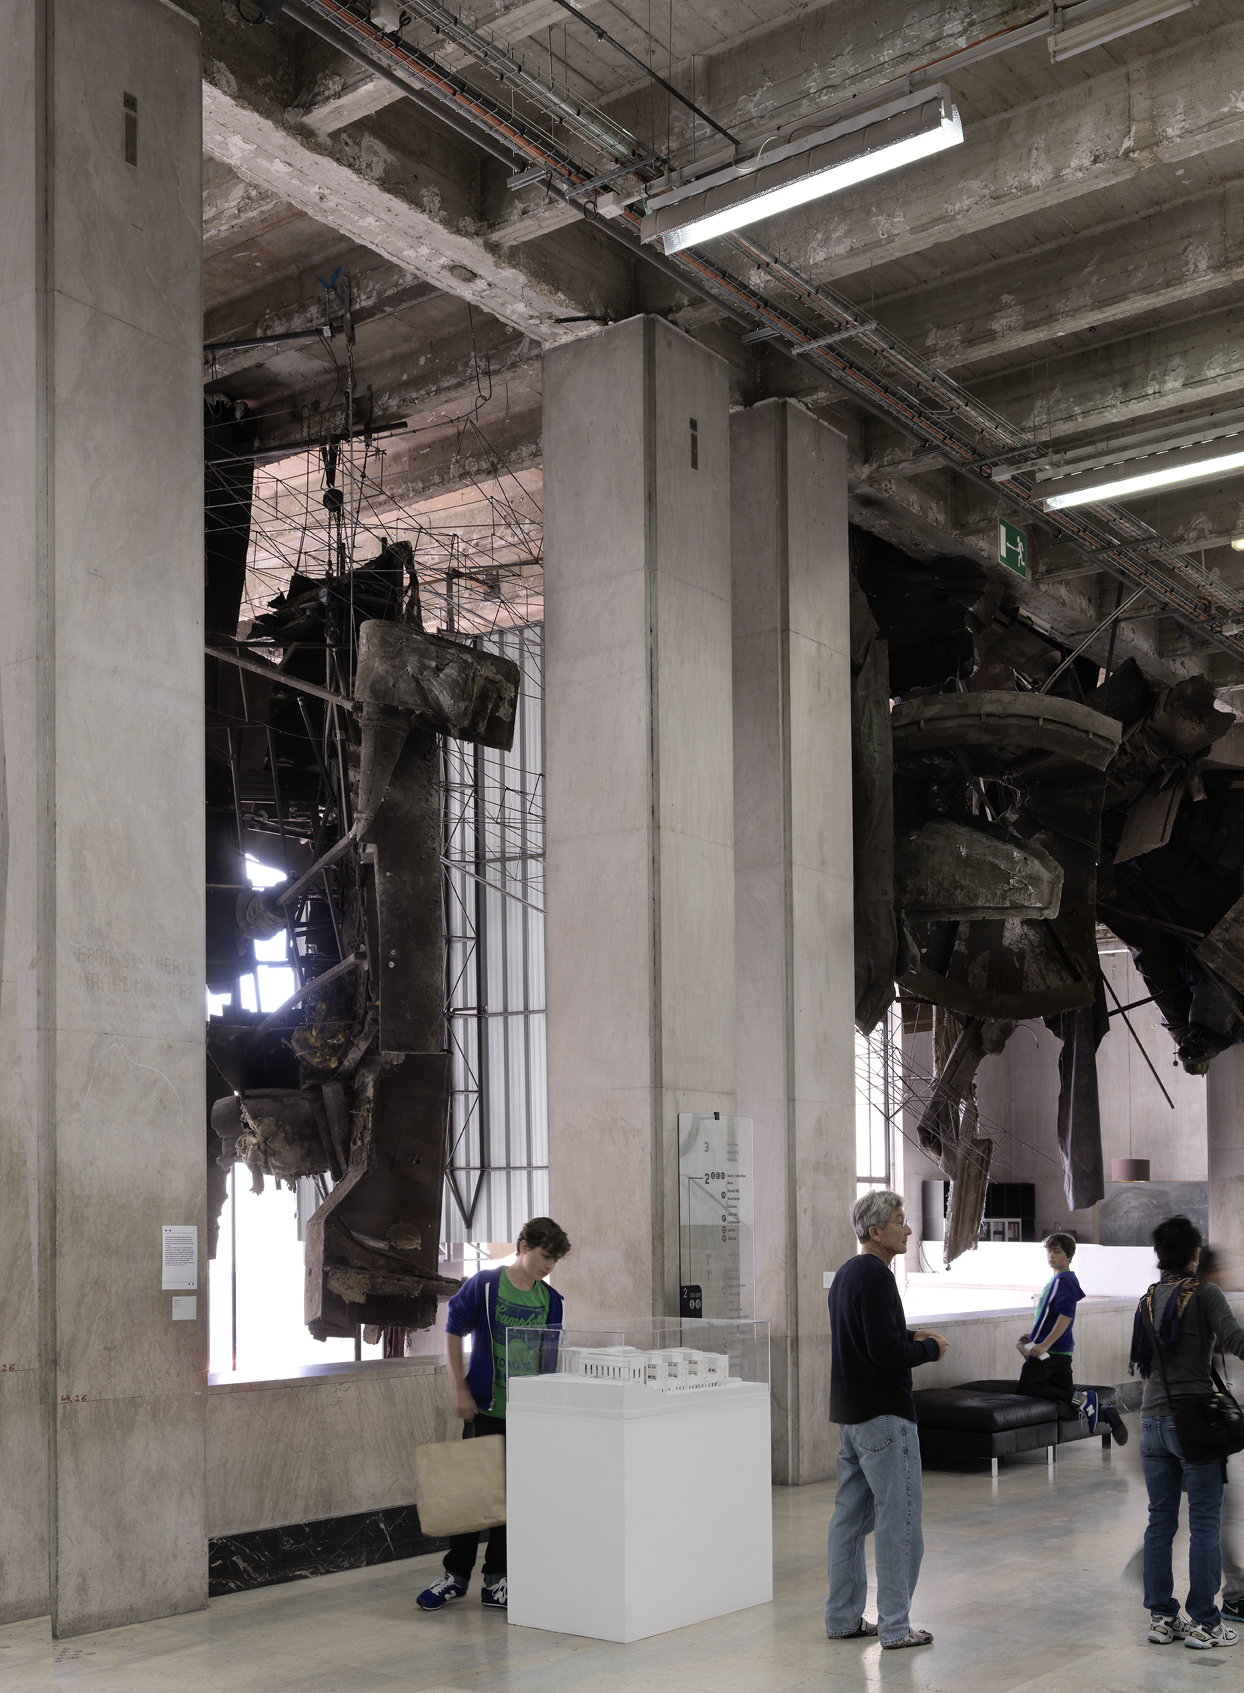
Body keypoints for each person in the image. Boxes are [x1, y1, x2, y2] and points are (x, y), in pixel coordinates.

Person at [416, 1217, 571, 1614]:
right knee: (472, 1492)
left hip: (528, 1412)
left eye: (554, 1260)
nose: (548, 1266)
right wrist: (460, 1388)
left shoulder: (552, 1301)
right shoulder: (485, 1285)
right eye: (544, 1256)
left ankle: (496, 1580)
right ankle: (455, 1576)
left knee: (513, 1498)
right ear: (523, 1245)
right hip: (485, 1406)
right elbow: (453, 1331)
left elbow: (550, 1355)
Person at [825, 1189, 948, 1650]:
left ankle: (842, 1619)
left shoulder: (846, 1275)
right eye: (900, 1221)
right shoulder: (877, 1277)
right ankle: (896, 1627)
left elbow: (867, 1336)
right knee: (901, 1525)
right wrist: (929, 1349)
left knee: (849, 1523)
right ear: (876, 1231)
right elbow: (885, 1351)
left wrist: (912, 1333)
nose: (909, 1228)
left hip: (852, 1418)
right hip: (885, 1418)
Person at [1131, 1213, 1244, 1649]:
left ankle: (1162, 1618)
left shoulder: (1146, 1300)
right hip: (1193, 1425)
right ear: (1195, 1255)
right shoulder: (1205, 1293)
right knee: (1204, 1524)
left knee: (1160, 1523)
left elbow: (1144, 1364)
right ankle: (1205, 1623)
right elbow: (1235, 1341)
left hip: (1150, 1423)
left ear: (1160, 1257)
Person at [1014, 1231, 1127, 1443]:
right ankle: (1102, 1411)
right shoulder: (1060, 1279)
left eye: (1057, 1252)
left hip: (1052, 1351)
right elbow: (1051, 1317)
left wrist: (1045, 1343)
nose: (1051, 1256)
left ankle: (1088, 1400)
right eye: (1049, 1251)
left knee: (1027, 1388)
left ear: (1068, 1257)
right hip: (1060, 1350)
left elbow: (1066, 1316)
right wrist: (1034, 1336)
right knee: (1065, 1394)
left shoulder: (1063, 1281)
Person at [1198, 1244, 1244, 1625]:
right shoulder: (1205, 1303)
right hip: (1204, 1428)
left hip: (1209, 1426)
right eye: (1221, 1271)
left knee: (1210, 1516)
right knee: (1223, 1515)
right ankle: (1233, 1596)